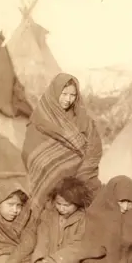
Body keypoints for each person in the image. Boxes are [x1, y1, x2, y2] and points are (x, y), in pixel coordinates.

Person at [21, 73, 103, 216]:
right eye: (64, 94)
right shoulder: (41, 118)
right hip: (47, 181)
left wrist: (80, 175)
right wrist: (54, 167)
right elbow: (30, 153)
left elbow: (94, 148)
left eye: (72, 95)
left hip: (82, 177)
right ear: (55, 93)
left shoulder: (83, 119)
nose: (68, 99)